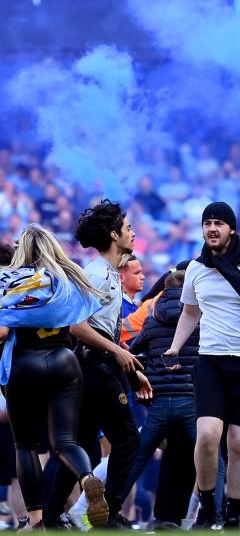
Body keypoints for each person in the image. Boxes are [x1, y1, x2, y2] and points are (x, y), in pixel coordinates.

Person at [165, 202, 240, 529]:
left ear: (231, 228)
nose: (211, 228)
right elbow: (191, 312)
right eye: (207, 223)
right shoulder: (195, 269)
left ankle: (233, 517)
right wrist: (176, 347)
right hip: (211, 363)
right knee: (206, 435)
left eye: (218, 222)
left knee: (238, 443)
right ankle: (208, 507)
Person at [44, 200, 149, 528]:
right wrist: (117, 353)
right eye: (128, 228)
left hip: (98, 365)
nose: (133, 233)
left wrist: (131, 369)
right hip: (94, 366)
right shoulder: (98, 272)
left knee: (85, 445)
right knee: (129, 440)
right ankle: (110, 514)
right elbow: (78, 326)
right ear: (114, 234)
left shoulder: (109, 274)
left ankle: (50, 516)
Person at [0, 225, 111, 530]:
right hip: (65, 362)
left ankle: (35, 519)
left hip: (24, 363)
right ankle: (87, 478)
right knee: (64, 441)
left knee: (25, 446)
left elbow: (3, 327)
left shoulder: (11, 280)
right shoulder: (67, 277)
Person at [122, 270, 200, 529]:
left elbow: (131, 351)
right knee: (213, 459)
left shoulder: (150, 313)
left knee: (136, 459)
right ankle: (220, 516)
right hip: (191, 402)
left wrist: (142, 376)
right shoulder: (202, 317)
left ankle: (108, 507)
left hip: (159, 402)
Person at [119, 253, 144, 318]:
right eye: (137, 273)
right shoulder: (120, 310)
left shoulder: (129, 306)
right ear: (121, 277)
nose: (142, 277)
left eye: (141, 272)